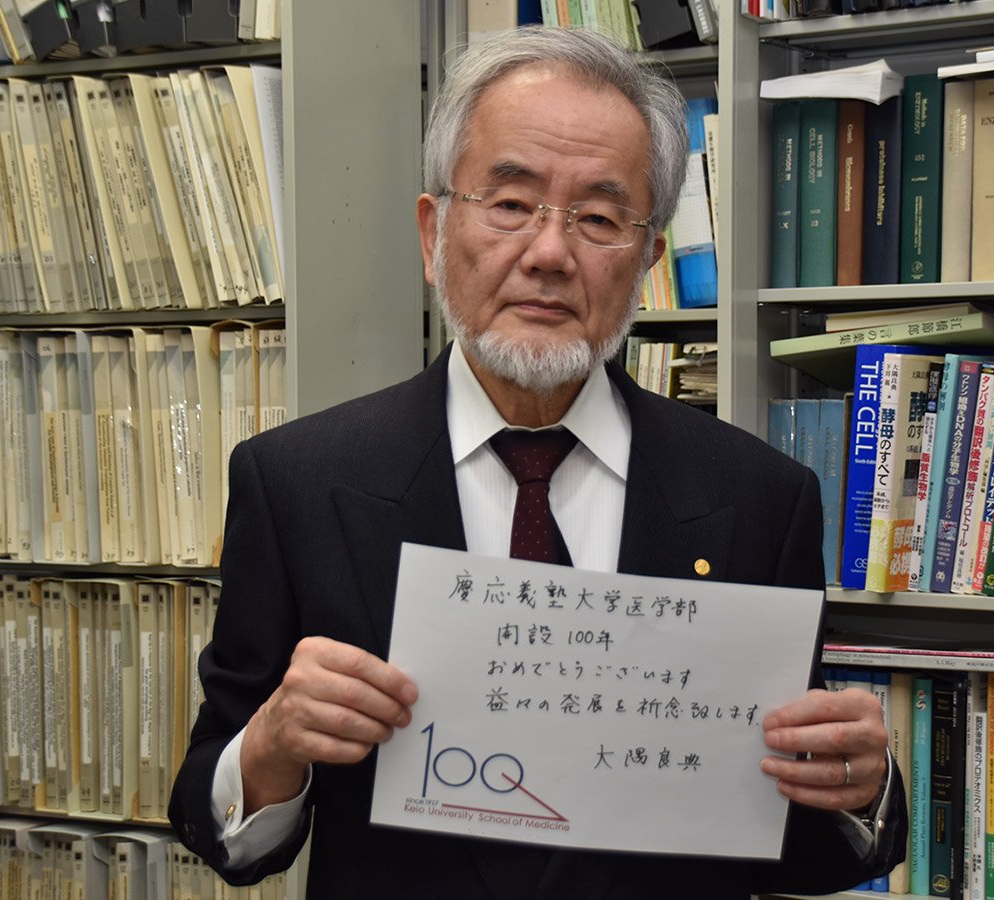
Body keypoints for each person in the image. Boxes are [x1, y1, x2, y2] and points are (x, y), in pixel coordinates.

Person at [168, 25, 906, 898]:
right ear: (434, 231)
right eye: (510, 204)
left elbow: (794, 846)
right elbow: (220, 832)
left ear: (645, 263)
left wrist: (860, 790)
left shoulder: (760, 496)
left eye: (598, 218)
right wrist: (273, 744)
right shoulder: (294, 480)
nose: (550, 254)